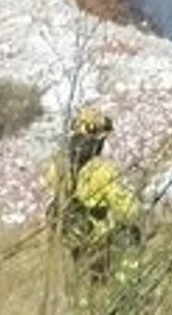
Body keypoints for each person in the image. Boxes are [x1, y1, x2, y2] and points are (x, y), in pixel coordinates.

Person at [43, 107, 143, 289]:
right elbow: (128, 210)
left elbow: (51, 185)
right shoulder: (101, 170)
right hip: (102, 241)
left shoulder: (58, 165)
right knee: (131, 235)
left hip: (76, 242)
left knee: (83, 289)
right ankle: (129, 292)